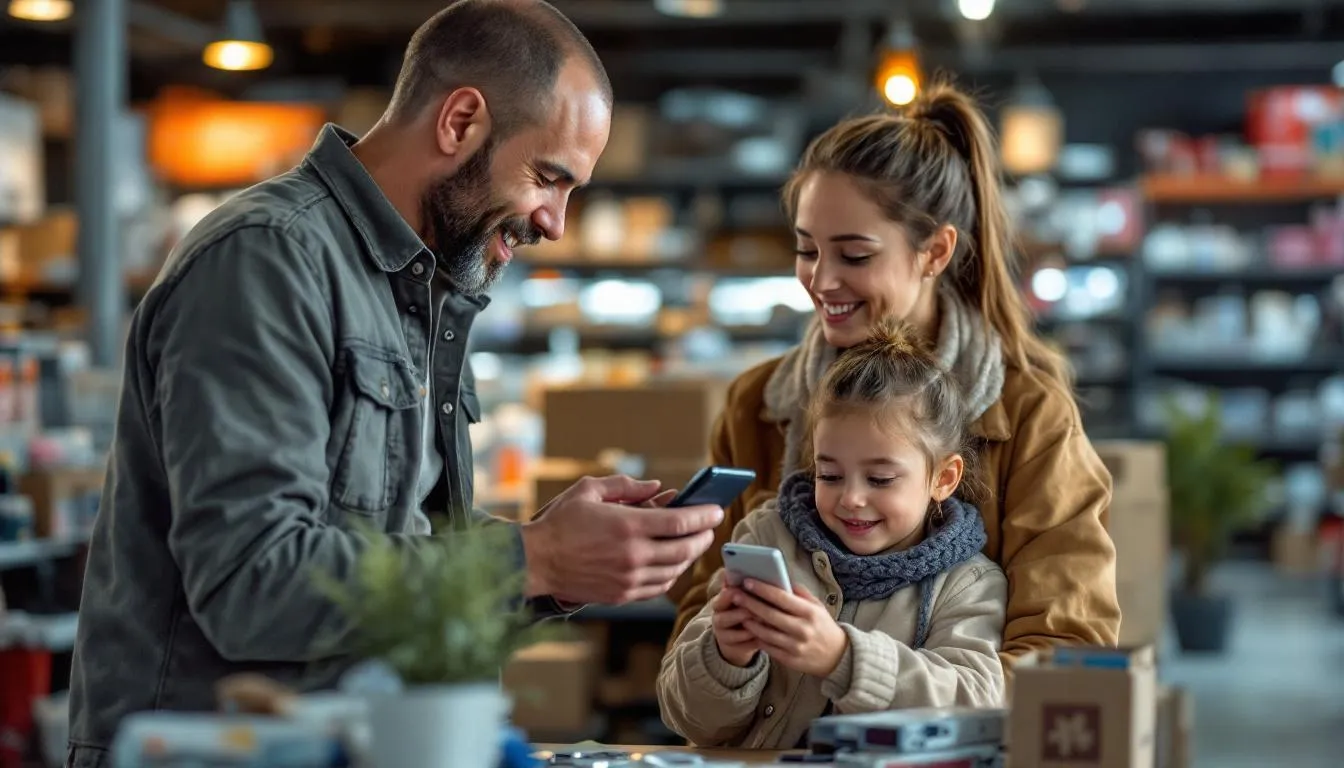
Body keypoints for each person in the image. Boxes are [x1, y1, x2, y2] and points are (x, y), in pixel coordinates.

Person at [65, 2, 723, 765]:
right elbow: (254, 579)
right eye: (549, 178)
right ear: (461, 122)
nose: (556, 223)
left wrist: (558, 566)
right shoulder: (268, 261)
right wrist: (534, 557)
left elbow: (390, 554)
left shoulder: (420, 287)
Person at [667, 82, 1120, 673]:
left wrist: (867, 682)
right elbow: (698, 622)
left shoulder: (1028, 413)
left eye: (854, 256)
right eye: (807, 251)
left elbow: (1066, 653)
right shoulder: (756, 404)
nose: (821, 281)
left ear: (935, 252)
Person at [658, 320, 1007, 749]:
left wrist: (842, 658)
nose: (851, 499)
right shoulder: (768, 538)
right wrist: (726, 657)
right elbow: (683, 717)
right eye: (830, 474)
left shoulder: (967, 584)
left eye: (880, 479)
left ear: (944, 478)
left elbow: (978, 707)